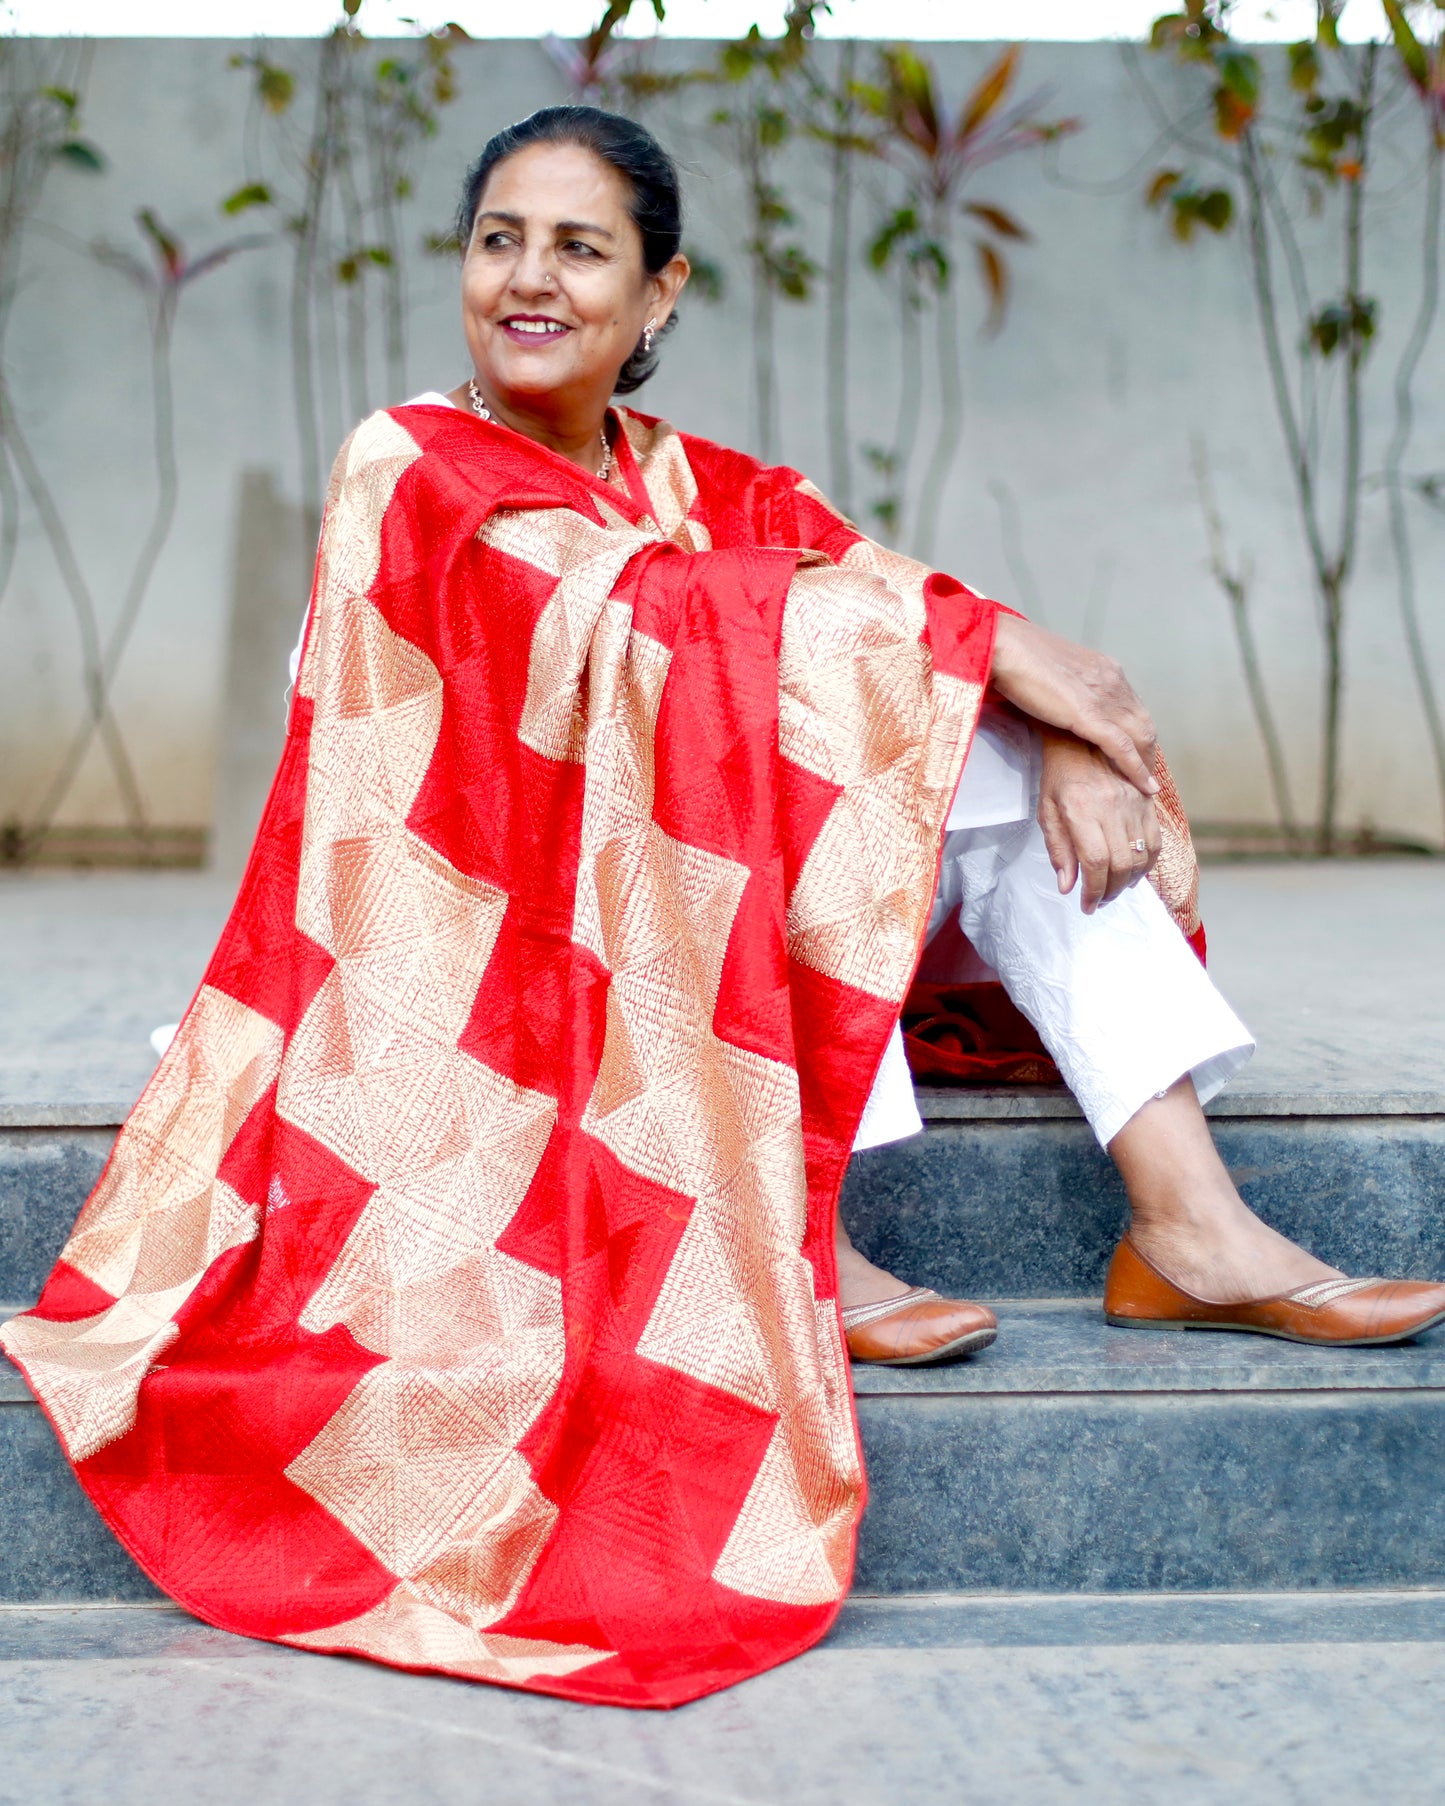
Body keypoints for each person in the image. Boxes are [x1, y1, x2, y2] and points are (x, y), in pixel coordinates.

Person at [6, 105, 1442, 1710]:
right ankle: (800, 1235)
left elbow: (851, 583)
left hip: (628, 936)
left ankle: (1186, 1222)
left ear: (659, 292)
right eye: (499, 240)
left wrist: (1049, 716)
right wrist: (997, 667)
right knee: (776, 713)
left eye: (578, 247)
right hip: (464, 972)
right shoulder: (406, 459)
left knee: (887, 707)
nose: (527, 279)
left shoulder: (687, 478)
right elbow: (702, 630)